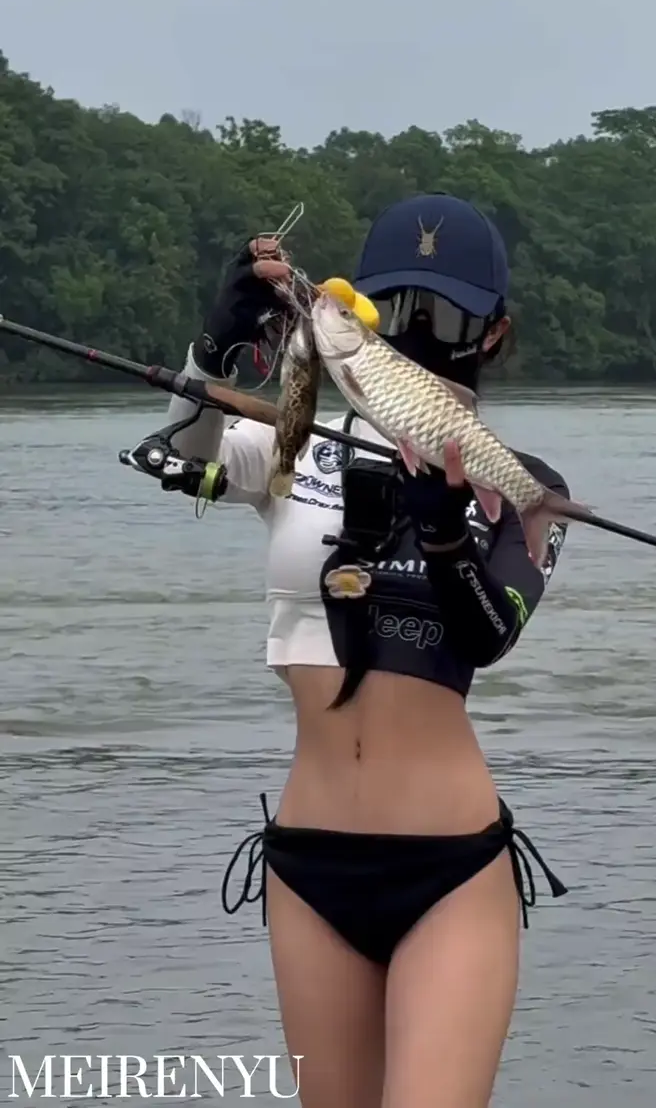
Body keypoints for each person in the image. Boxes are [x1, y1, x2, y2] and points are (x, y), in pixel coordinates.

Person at [148, 193, 571, 1108]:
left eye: (447, 313)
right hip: (309, 866)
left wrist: (450, 537)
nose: (420, 328)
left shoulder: (522, 485)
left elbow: (491, 634)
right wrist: (211, 353)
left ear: (492, 335)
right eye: (395, 306)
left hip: (450, 868)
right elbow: (176, 454)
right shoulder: (297, 440)